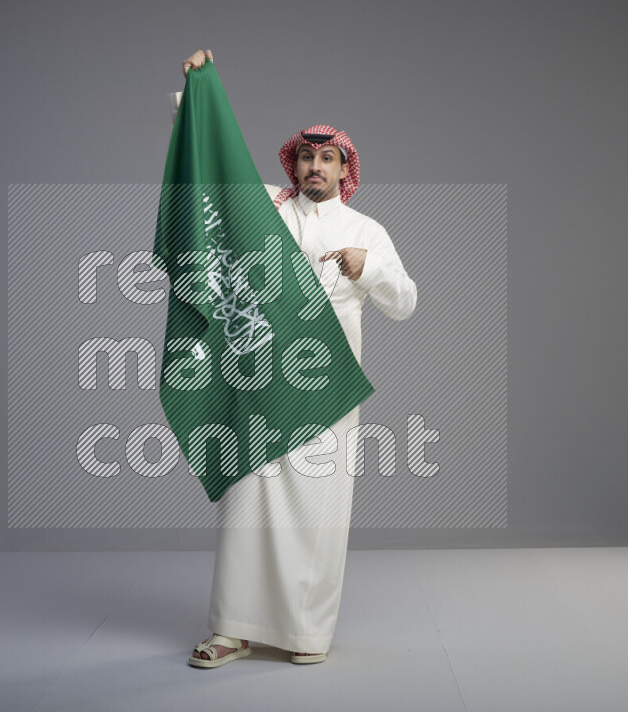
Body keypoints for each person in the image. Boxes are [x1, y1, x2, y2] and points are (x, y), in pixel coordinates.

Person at [171, 50, 418, 668]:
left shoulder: (367, 229)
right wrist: (197, 90)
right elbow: (214, 168)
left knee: (317, 511)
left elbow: (407, 303)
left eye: (325, 158)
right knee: (247, 501)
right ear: (294, 163)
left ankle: (306, 633)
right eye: (305, 157)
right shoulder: (266, 211)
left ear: (343, 168)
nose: (314, 166)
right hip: (259, 382)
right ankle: (232, 628)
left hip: (326, 389)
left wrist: (374, 269)